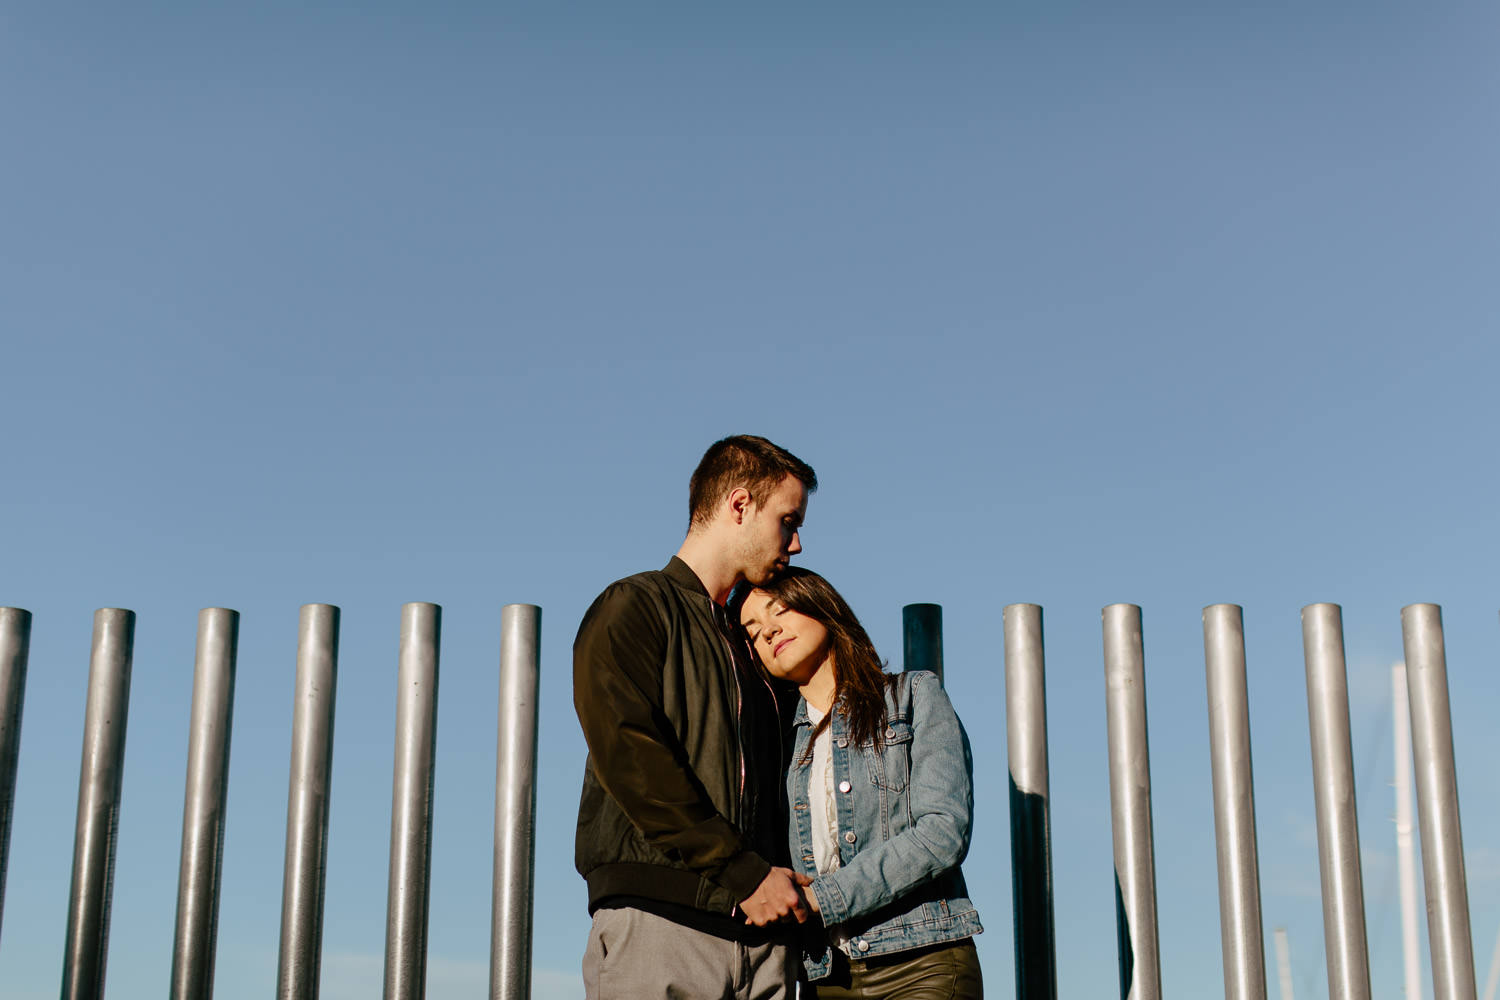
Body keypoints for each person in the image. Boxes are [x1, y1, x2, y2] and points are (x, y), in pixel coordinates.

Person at [573, 434, 818, 1000]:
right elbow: (629, 754)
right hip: (660, 928)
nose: (797, 543)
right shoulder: (635, 606)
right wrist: (742, 872)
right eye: (787, 520)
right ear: (739, 505)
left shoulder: (759, 646)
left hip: (766, 944)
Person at [734, 567, 984, 999]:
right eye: (754, 632)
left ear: (822, 606)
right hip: (827, 976)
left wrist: (821, 898)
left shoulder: (912, 697)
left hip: (922, 961)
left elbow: (943, 831)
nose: (769, 632)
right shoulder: (777, 747)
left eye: (778, 611)